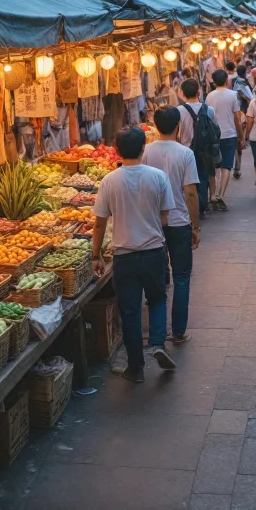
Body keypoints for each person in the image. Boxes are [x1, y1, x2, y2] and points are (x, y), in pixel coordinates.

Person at [92, 127, 177, 383]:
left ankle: (135, 368)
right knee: (157, 299)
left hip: (124, 256)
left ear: (117, 150)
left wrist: (95, 255)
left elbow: (99, 223)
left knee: (129, 311)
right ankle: (158, 342)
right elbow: (165, 217)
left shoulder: (110, 180)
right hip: (153, 251)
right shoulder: (159, 177)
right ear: (143, 149)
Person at [143, 107, 201, 345]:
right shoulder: (185, 153)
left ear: (156, 126)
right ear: (179, 126)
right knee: (182, 277)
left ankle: (158, 332)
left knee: (158, 278)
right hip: (179, 222)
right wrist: (195, 226)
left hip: (153, 223)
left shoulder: (145, 151)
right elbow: (190, 192)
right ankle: (178, 331)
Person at [178, 78, 217, 218]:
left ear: (182, 93)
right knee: (203, 176)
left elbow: (177, 133)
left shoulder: (178, 111)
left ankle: (191, 206)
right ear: (199, 91)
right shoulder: (209, 110)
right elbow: (215, 130)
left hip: (185, 150)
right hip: (204, 150)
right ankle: (202, 206)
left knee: (188, 179)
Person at [205, 69, 243, 211]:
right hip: (229, 134)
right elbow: (237, 119)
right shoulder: (233, 95)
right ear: (227, 79)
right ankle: (221, 195)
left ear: (214, 81)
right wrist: (241, 136)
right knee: (227, 165)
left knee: (214, 166)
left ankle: (212, 195)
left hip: (213, 135)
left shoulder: (209, 96)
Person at [232, 64, 254, 179]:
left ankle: (236, 166)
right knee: (239, 140)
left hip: (232, 113)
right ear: (245, 72)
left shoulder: (232, 80)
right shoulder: (243, 82)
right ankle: (237, 167)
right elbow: (250, 97)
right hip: (241, 113)